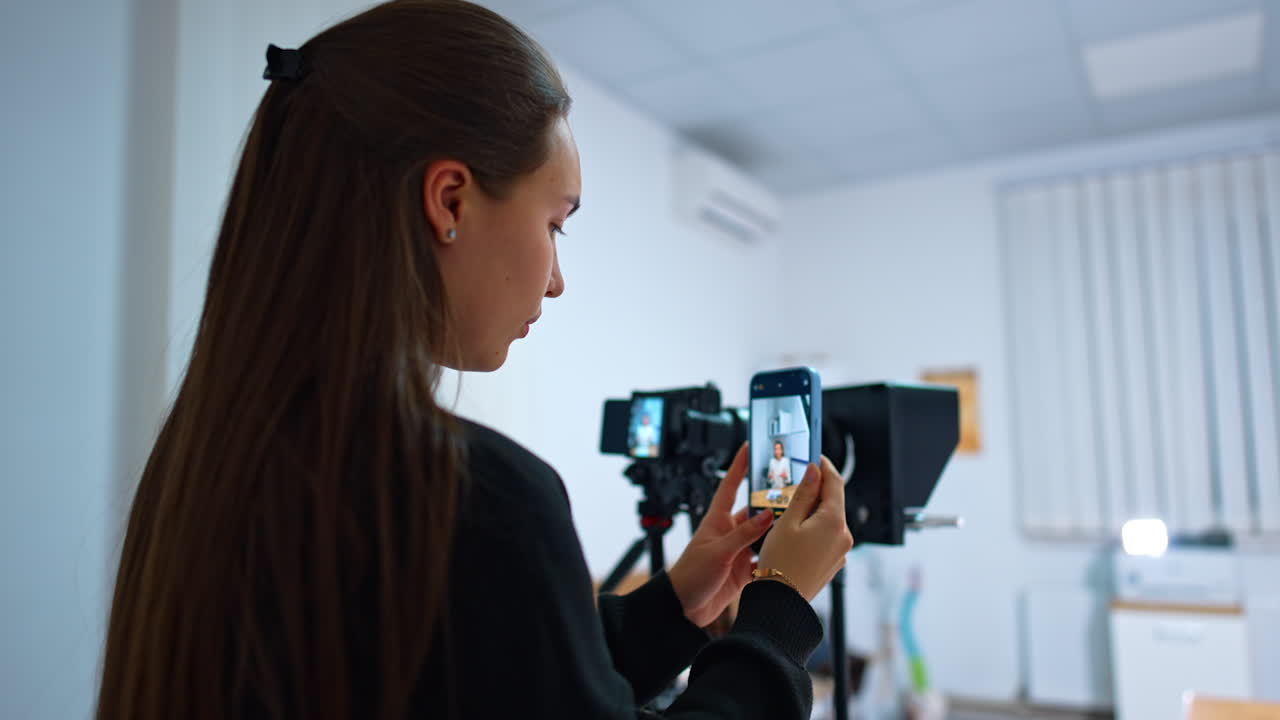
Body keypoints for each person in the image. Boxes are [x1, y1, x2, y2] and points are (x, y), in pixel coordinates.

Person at [95, 2, 853, 719]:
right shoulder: (476, 497)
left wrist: (679, 601)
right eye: (556, 225)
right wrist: (781, 610)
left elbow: (489, 683)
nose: (556, 279)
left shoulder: (208, 459)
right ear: (451, 200)